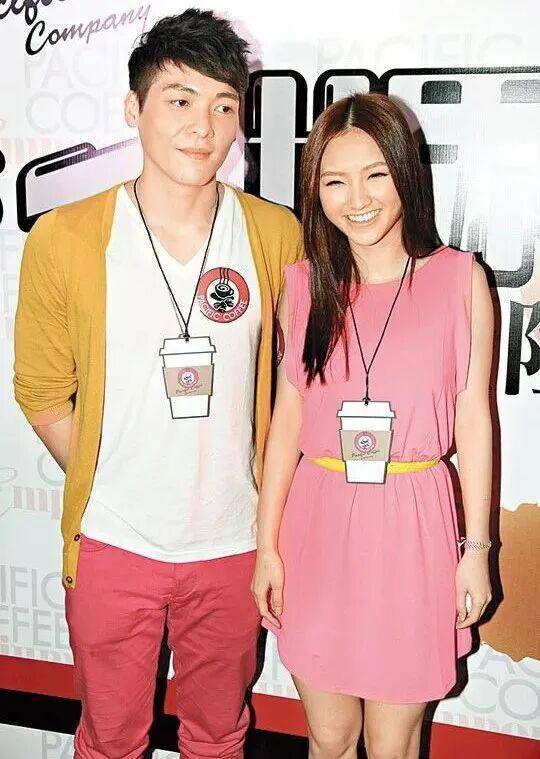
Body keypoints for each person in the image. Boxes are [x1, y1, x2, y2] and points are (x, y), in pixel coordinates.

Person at [14, 9, 301, 758]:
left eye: (224, 105)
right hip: (113, 544)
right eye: (179, 100)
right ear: (133, 109)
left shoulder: (277, 236)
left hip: (235, 545)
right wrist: (109, 475)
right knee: (109, 739)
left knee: (219, 736)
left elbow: (299, 386)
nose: (203, 126)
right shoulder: (67, 237)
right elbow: (40, 388)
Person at [252, 93, 493, 759]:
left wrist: (477, 550)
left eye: (375, 175)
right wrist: (266, 546)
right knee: (329, 735)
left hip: (414, 527)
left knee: (392, 743)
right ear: (315, 191)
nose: (356, 199)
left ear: (405, 174)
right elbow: (286, 423)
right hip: (318, 524)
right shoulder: (304, 285)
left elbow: (474, 419)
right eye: (335, 181)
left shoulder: (459, 279)